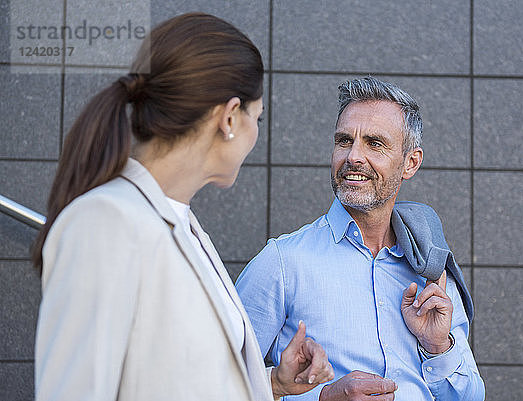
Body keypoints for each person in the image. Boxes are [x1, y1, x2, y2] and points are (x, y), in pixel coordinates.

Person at [32, 13, 333, 401]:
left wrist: (273, 383)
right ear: (229, 117)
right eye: (256, 118)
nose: (256, 132)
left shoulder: (178, 221)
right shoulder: (106, 222)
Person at [236, 76, 485, 400]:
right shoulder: (282, 263)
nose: (353, 156)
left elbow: (471, 396)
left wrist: (438, 348)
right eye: (344, 141)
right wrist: (322, 398)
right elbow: (220, 384)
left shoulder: (431, 268)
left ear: (410, 163)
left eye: (374, 143)